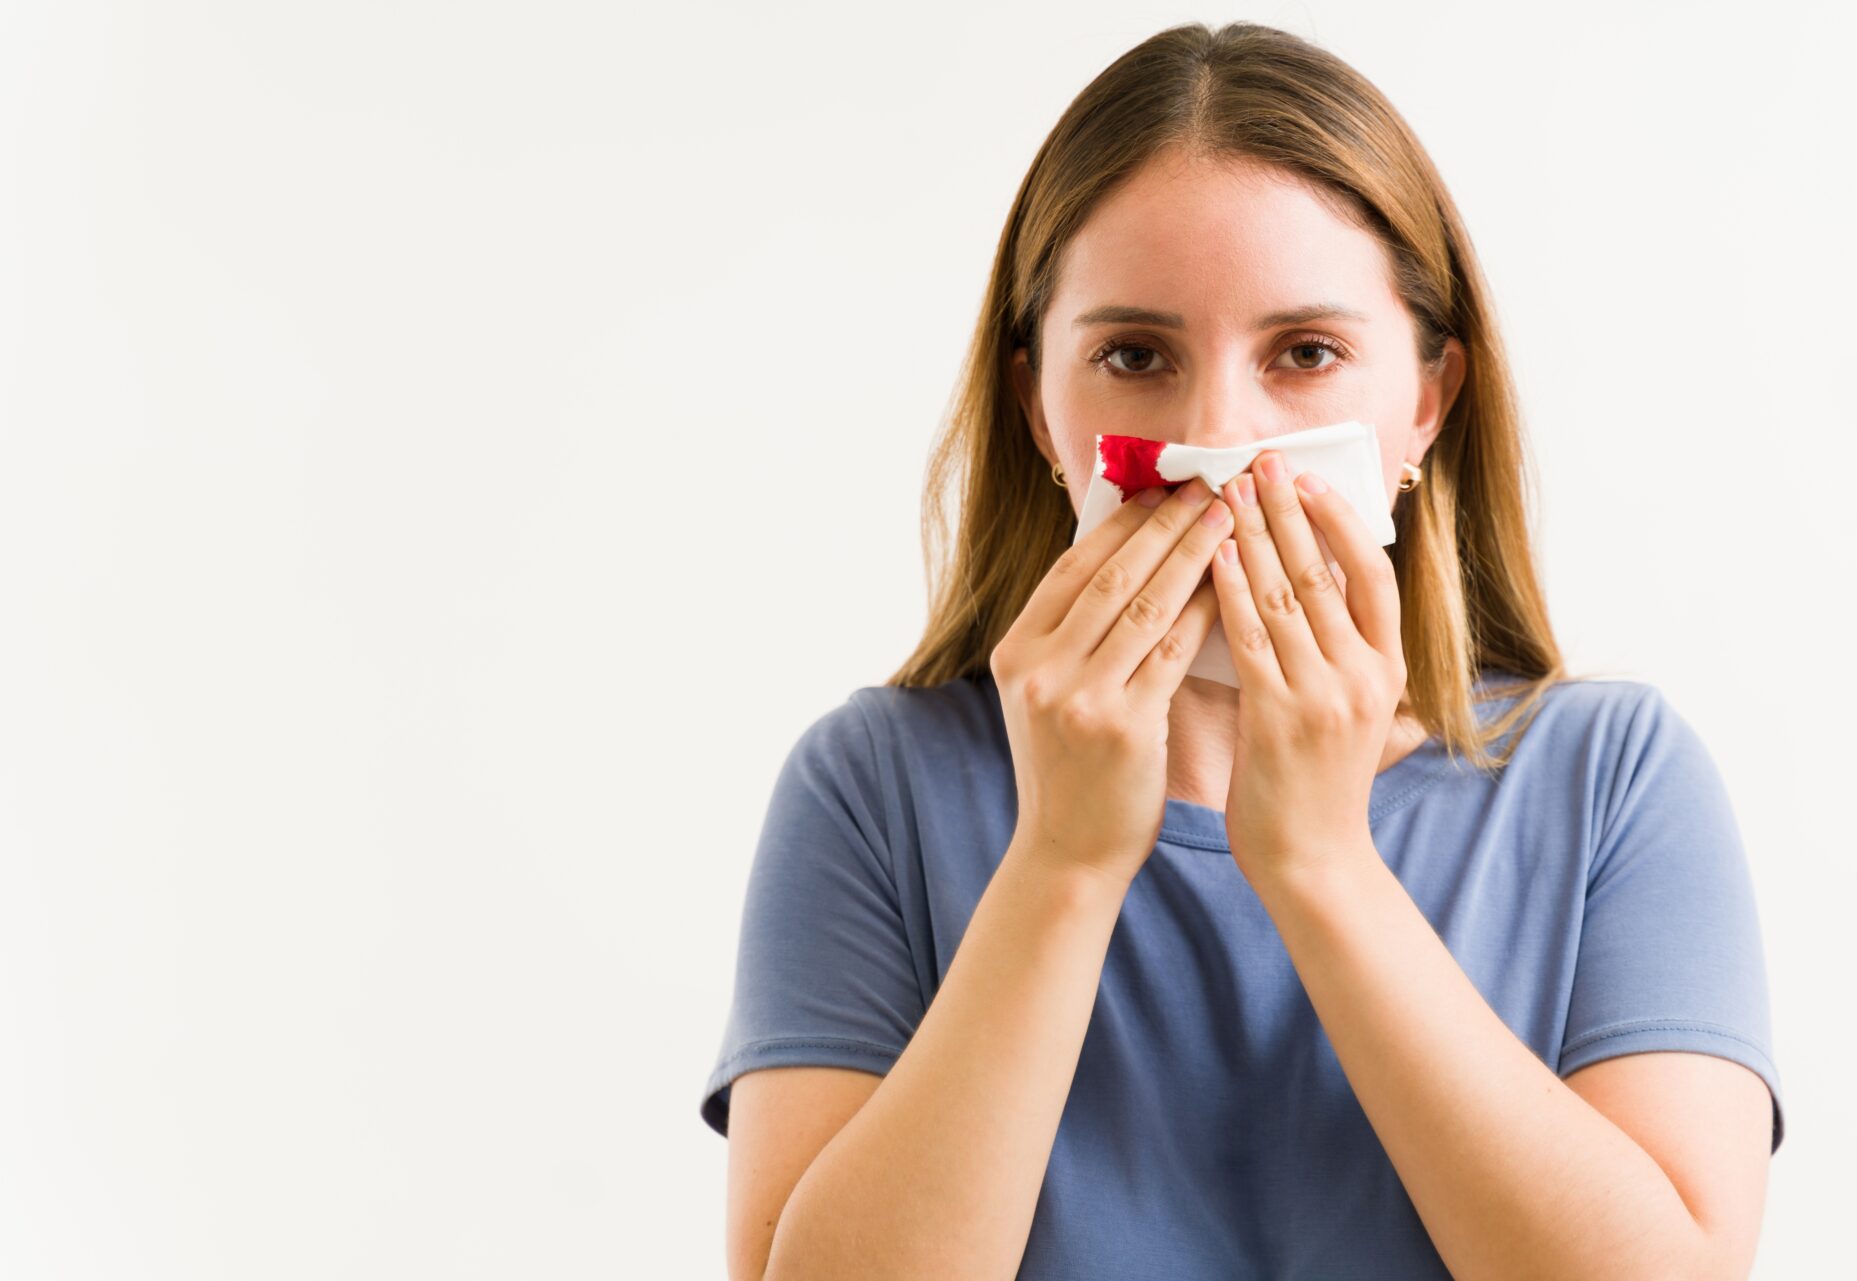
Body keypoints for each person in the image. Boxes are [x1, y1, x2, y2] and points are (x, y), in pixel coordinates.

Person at [699, 20, 1783, 1281]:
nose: (1217, 439)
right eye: (1135, 357)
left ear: (1426, 404)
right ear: (1039, 411)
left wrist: (1323, 863)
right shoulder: (873, 790)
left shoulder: (1613, 781)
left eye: (1306, 355)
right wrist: (1062, 861)